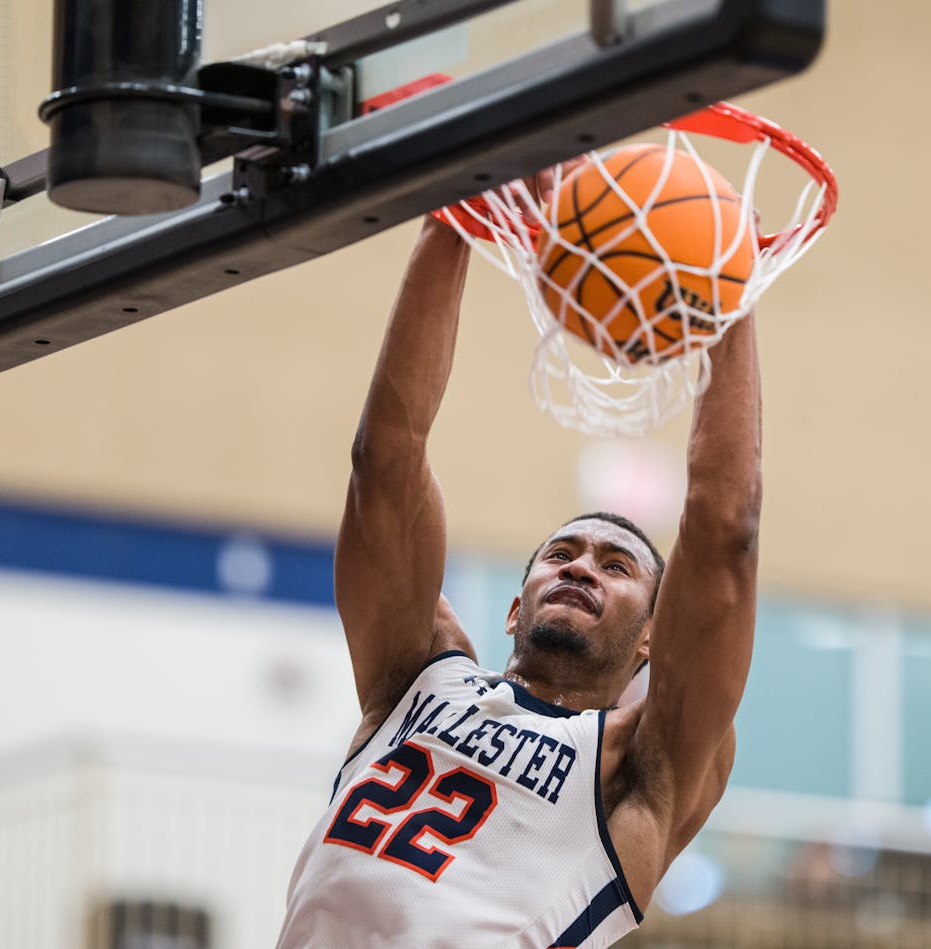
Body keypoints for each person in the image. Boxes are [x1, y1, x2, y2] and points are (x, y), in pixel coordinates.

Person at [276, 202, 762, 948]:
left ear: (652, 639)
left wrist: (732, 301)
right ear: (513, 608)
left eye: (615, 564)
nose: (581, 567)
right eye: (561, 555)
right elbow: (387, 458)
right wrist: (453, 216)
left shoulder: (637, 764)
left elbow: (725, 533)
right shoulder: (416, 677)